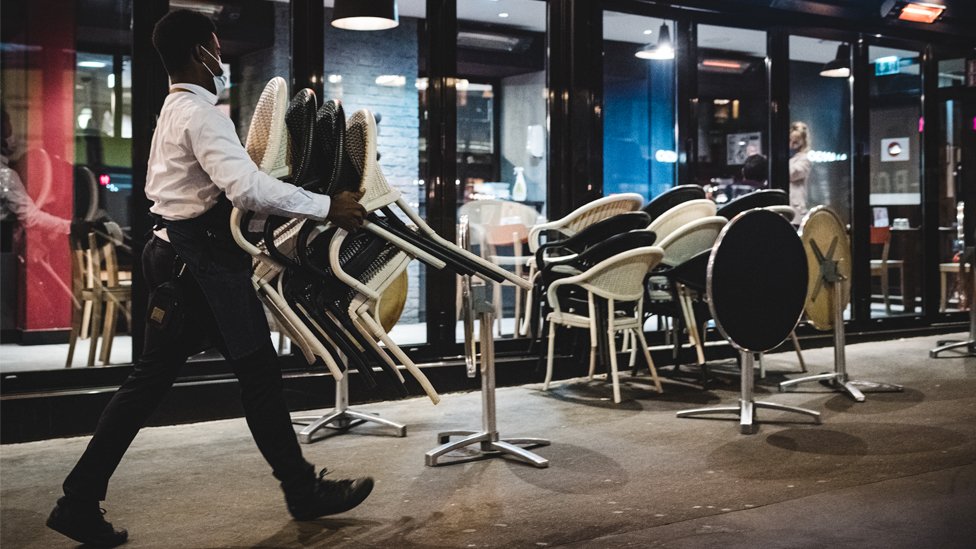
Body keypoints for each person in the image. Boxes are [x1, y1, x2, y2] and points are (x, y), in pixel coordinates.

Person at [46, 10, 371, 547]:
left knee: (173, 383)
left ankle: (78, 499)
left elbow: (220, 192)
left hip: (175, 257)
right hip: (202, 268)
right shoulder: (203, 115)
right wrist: (324, 206)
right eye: (217, 48)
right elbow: (244, 188)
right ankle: (300, 492)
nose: (221, 58)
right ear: (202, 52)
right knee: (245, 377)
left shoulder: (174, 111)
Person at [788, 121, 812, 223]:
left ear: (803, 142)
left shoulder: (805, 159)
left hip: (796, 210)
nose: (791, 145)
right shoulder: (791, 157)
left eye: (795, 142)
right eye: (790, 140)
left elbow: (792, 174)